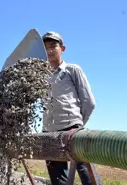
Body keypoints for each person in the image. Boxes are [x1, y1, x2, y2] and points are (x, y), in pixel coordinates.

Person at [41, 31, 102, 185]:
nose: (49, 50)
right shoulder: (39, 76)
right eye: (45, 47)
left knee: (86, 174)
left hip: (73, 130)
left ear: (63, 48)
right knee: (58, 179)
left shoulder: (72, 70)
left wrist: (77, 124)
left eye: (53, 46)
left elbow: (89, 101)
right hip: (49, 133)